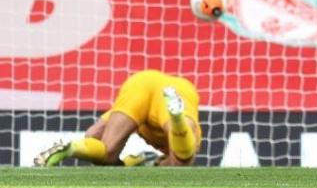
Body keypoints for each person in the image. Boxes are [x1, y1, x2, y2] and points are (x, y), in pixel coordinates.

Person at [34, 70, 201, 167]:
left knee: (107, 151)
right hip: (178, 91)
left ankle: (71, 148)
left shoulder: (141, 113)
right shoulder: (186, 143)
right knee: (182, 160)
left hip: (142, 82)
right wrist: (149, 165)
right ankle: (177, 118)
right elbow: (174, 164)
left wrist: (125, 163)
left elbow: (93, 133)